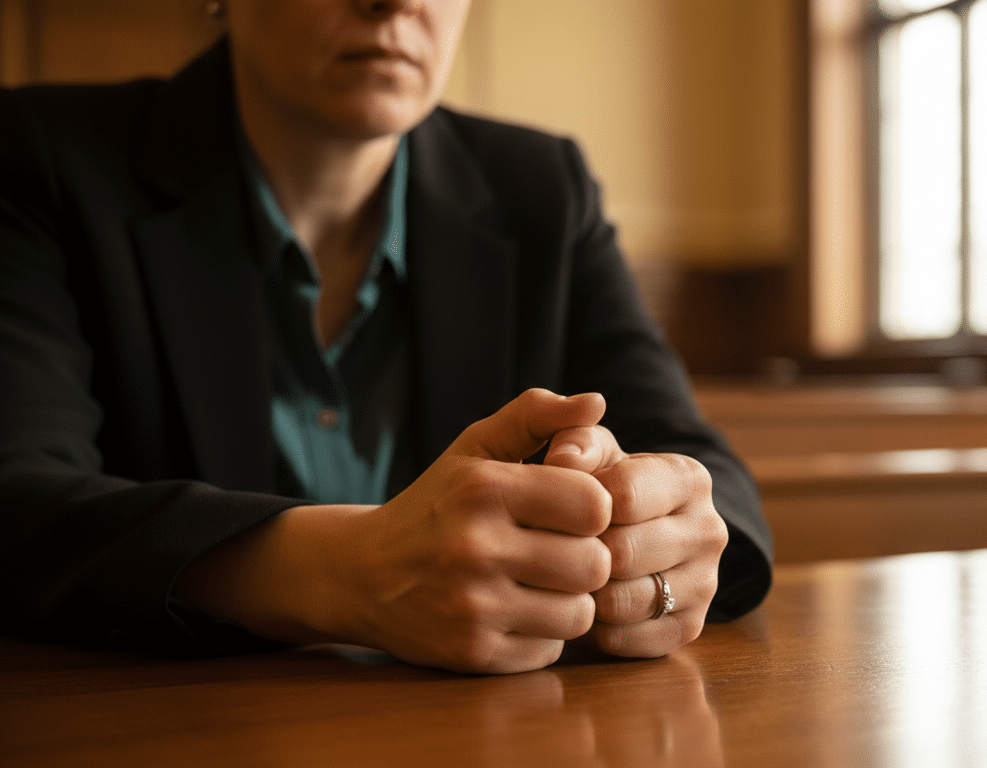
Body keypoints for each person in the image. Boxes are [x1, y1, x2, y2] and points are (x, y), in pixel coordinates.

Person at [0, 0, 772, 675]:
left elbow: (702, 470)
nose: (395, 1)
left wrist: (656, 535)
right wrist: (343, 573)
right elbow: (20, 497)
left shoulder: (543, 185)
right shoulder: (40, 156)